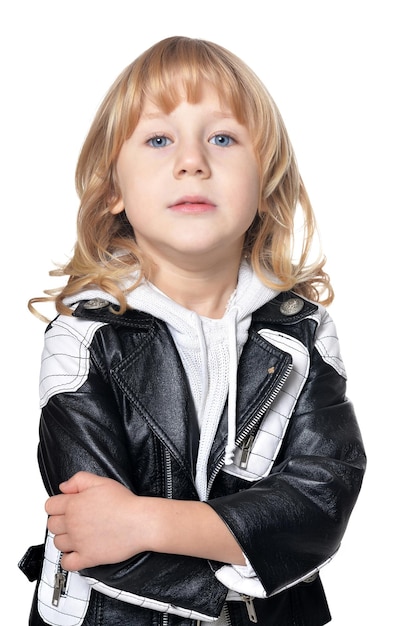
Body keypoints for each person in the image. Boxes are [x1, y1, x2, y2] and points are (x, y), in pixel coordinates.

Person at [19, 36, 366, 626]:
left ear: (265, 183)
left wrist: (146, 522)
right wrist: (256, 550)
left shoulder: (304, 334)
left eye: (223, 138)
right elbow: (90, 531)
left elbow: (317, 507)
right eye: (159, 139)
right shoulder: (83, 337)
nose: (192, 161)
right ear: (112, 192)